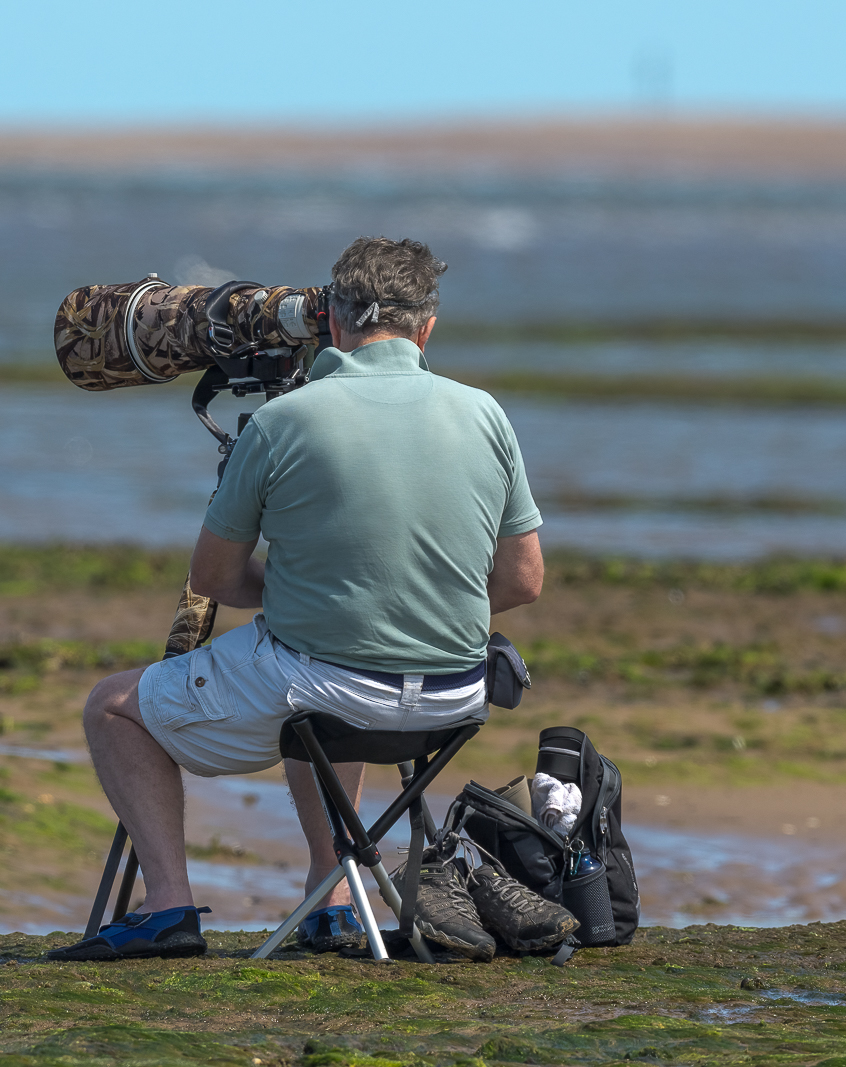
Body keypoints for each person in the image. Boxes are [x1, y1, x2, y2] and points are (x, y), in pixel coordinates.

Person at [48, 237, 556, 962]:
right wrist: (404, 604)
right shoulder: (485, 414)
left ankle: (165, 910)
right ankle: (334, 896)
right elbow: (523, 581)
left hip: (331, 688)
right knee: (312, 670)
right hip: (452, 702)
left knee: (115, 706)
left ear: (335, 324)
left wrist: (312, 593)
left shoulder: (288, 422)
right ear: (428, 328)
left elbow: (215, 578)